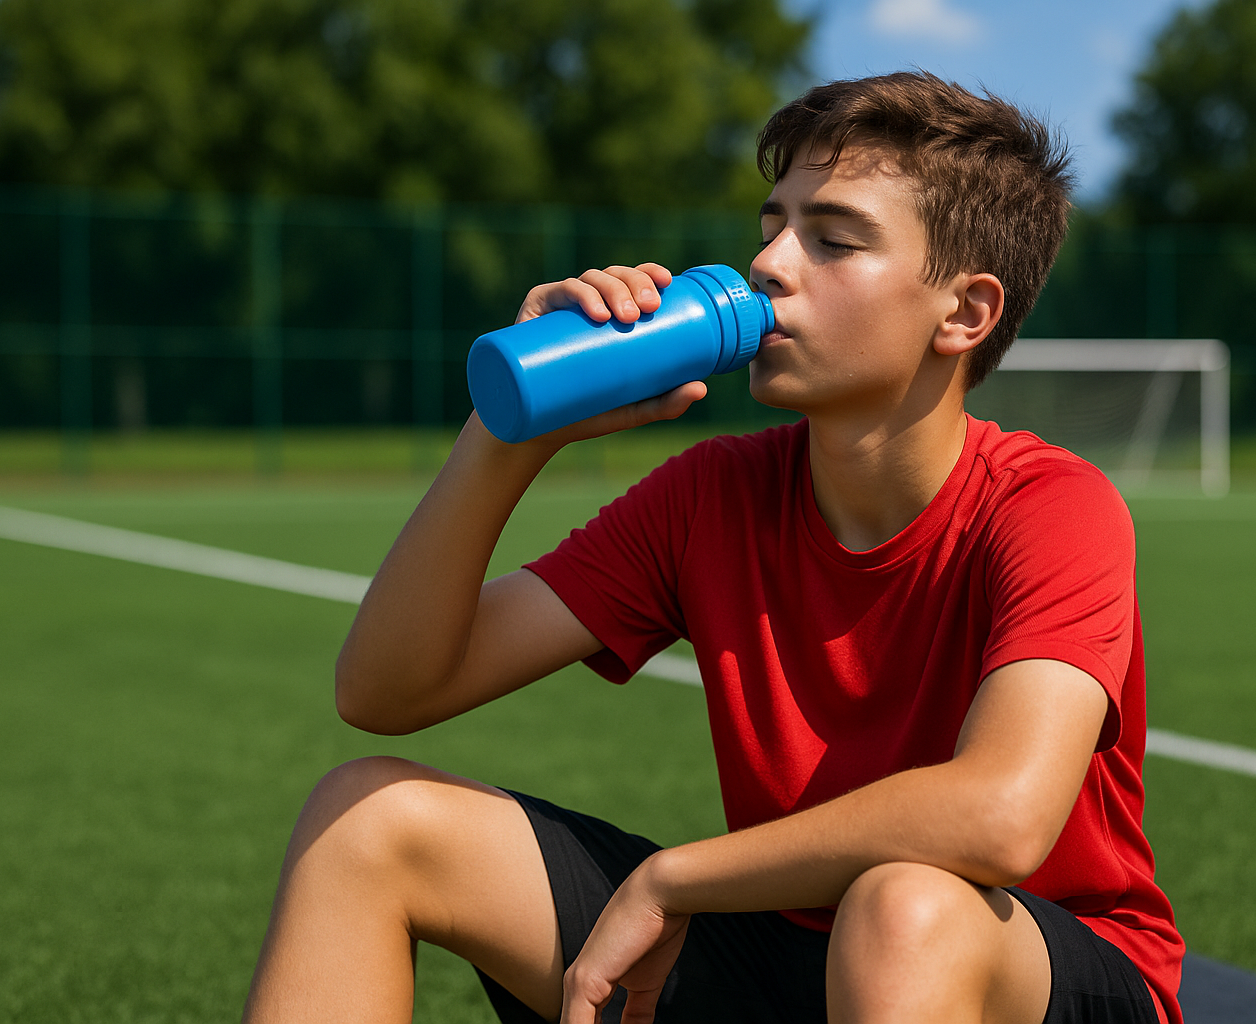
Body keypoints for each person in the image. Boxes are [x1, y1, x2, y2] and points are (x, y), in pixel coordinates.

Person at [242, 71, 1184, 1024]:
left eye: (834, 239)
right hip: (788, 951)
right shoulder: (712, 495)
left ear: (965, 314)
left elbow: (1000, 816)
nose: (769, 264)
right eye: (772, 225)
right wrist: (506, 436)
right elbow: (387, 691)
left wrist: (674, 878)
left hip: (1027, 963)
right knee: (366, 818)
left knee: (904, 907)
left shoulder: (1052, 504)